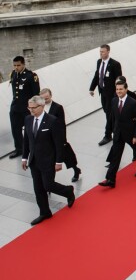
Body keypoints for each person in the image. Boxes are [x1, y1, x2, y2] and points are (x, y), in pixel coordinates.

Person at [22, 95, 75, 225]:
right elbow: (26, 141)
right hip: (34, 161)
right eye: (29, 107)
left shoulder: (52, 121)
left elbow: (58, 143)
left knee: (48, 185)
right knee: (38, 188)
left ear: (42, 106)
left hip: (48, 160)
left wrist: (58, 162)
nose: (31, 110)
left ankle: (68, 191)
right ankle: (44, 212)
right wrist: (24, 157)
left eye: (34, 108)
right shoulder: (28, 119)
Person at [98, 80, 136, 188]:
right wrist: (111, 130)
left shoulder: (132, 102)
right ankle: (110, 179)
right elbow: (113, 117)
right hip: (118, 133)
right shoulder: (114, 101)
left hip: (130, 132)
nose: (118, 91)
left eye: (121, 89)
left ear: (126, 89)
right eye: (117, 89)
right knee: (115, 155)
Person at [40, 88, 81, 182]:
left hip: (57, 137)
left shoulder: (57, 107)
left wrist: (62, 140)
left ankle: (76, 170)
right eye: (43, 99)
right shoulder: (40, 107)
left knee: (67, 157)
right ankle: (50, 182)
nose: (45, 100)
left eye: (47, 98)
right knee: (50, 161)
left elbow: (62, 124)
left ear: (50, 96)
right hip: (46, 139)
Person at [88, 44, 123, 146]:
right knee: (107, 112)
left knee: (109, 114)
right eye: (100, 52)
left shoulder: (115, 64)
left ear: (108, 52)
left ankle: (108, 135)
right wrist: (92, 88)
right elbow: (97, 75)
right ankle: (115, 129)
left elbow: (119, 80)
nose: (101, 53)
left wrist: (116, 95)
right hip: (102, 93)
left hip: (112, 95)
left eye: (103, 52)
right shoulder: (99, 62)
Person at [8, 55, 40, 159]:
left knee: (29, 131)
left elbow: (36, 94)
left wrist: (34, 108)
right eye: (14, 65)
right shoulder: (13, 74)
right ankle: (19, 149)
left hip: (27, 109)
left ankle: (31, 149)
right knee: (15, 129)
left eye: (18, 65)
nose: (16, 67)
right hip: (15, 108)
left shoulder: (31, 76)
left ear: (23, 64)